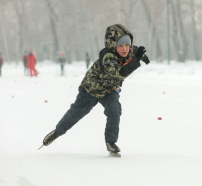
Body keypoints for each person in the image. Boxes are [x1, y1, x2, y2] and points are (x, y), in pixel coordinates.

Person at [41, 24, 150, 155]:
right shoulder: (107, 57)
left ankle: (111, 142)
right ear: (113, 45)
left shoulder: (127, 49)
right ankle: (57, 132)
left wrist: (141, 56)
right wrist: (136, 60)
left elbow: (133, 49)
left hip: (109, 90)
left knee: (114, 110)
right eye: (121, 46)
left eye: (127, 45)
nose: (125, 49)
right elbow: (120, 73)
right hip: (90, 90)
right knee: (76, 113)